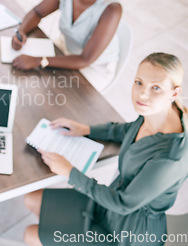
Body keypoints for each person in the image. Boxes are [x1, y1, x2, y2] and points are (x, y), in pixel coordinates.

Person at [23, 52, 188, 246]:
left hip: (129, 233)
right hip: (107, 203)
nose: (142, 94)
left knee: (31, 235)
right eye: (139, 82)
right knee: (31, 199)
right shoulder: (157, 111)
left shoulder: (170, 159)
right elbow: (128, 130)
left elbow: (123, 203)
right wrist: (87, 129)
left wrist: (70, 172)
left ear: (174, 93)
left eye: (156, 88)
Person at [12, 0, 122, 92]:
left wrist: (39, 60)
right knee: (32, 83)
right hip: (66, 50)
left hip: (94, 67)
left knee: (61, 95)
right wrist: (21, 32)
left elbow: (86, 59)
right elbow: (37, 12)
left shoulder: (111, 10)